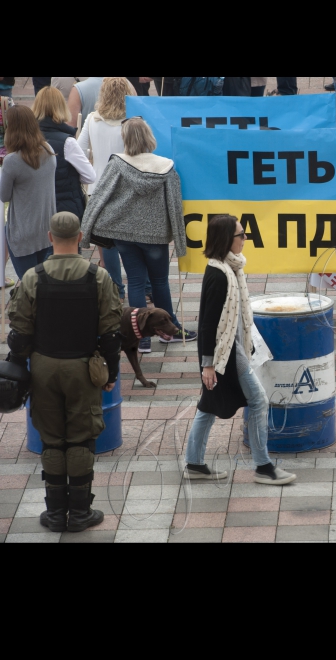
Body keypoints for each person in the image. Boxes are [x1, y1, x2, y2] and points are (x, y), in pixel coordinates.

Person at [7, 212, 123, 534]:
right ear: (81, 236)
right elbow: (112, 333)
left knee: (51, 440)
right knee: (81, 439)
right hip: (83, 368)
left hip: (43, 366)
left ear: (49, 237)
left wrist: (17, 370)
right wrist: (111, 371)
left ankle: (56, 513)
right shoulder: (98, 278)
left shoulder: (32, 277)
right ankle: (81, 512)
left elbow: (19, 333)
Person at [187, 215, 297, 485]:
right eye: (241, 235)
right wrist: (209, 364)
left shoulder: (230, 268)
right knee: (258, 401)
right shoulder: (219, 275)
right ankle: (264, 467)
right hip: (226, 355)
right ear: (227, 239)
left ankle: (194, 463)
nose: (245, 239)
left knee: (208, 406)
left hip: (227, 352)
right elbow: (207, 324)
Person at [81, 117, 197, 349]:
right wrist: (181, 242)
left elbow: (99, 197)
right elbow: (175, 205)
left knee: (134, 281)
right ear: (149, 137)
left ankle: (141, 339)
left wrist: (86, 231)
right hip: (154, 238)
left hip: (123, 233)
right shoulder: (166, 166)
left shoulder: (117, 163)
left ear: (124, 138)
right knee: (159, 282)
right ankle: (170, 329)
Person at [78, 77, 137, 301]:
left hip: (98, 187)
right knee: (132, 239)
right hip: (127, 186)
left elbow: (80, 149)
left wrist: (90, 174)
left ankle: (115, 290)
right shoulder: (133, 120)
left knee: (106, 243)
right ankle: (142, 287)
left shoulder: (93, 119)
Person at [0, 105, 57, 279]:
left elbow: (4, 195)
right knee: (42, 284)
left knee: (29, 288)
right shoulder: (48, 149)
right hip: (46, 230)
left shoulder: (12, 160)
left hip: (23, 233)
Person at [34, 87, 96, 220]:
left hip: (35, 209)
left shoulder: (27, 139)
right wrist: (71, 178)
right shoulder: (67, 142)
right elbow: (90, 176)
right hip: (65, 211)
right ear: (61, 107)